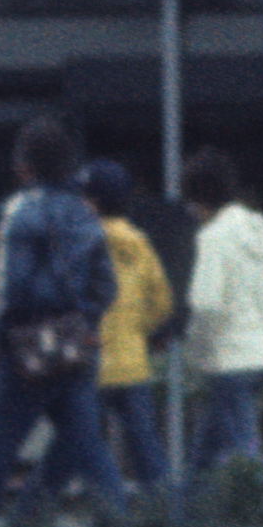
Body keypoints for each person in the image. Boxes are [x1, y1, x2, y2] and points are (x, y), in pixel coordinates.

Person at [0, 116, 119, 526]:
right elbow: (106, 286)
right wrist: (85, 324)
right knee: (89, 448)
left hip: (27, 346)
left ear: (25, 166)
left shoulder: (19, 212)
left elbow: (6, 285)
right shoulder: (84, 213)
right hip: (74, 342)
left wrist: (0, 340)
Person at [177, 145, 263, 487]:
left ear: (198, 200)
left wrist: (194, 352)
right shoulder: (259, 230)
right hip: (260, 356)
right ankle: (183, 510)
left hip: (227, 360)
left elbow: (206, 304)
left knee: (244, 454)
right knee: (204, 452)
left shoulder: (213, 238)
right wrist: (257, 331)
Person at [83, 158, 179, 503]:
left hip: (89, 363)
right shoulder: (139, 243)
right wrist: (139, 331)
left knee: (89, 446)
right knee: (146, 447)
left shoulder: (81, 241)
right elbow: (162, 302)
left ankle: (110, 515)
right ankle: (167, 515)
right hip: (132, 363)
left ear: (94, 202)